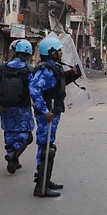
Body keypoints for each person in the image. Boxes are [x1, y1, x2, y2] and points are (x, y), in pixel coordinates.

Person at [30, 36, 81, 198]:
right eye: (58, 50)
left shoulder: (54, 68)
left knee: (48, 145)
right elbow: (34, 90)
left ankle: (45, 179)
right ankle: (41, 187)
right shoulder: (44, 69)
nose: (61, 52)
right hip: (48, 112)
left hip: (54, 110)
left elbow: (57, 83)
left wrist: (71, 74)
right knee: (47, 148)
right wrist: (45, 110)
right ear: (51, 52)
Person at [0, 40, 35, 174]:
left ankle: (13, 159)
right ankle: (14, 153)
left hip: (4, 106)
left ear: (16, 52)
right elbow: (33, 90)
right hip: (22, 107)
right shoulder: (29, 70)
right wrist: (37, 105)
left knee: (10, 132)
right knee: (27, 135)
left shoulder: (3, 68)